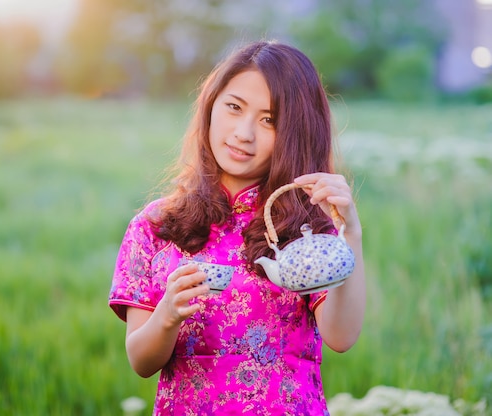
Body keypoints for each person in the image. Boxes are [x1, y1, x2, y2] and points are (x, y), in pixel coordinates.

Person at [108, 40, 366, 415]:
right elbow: (141, 362)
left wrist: (350, 235)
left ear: (295, 133)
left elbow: (341, 337)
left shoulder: (302, 224)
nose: (244, 133)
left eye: (269, 120)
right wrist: (167, 314)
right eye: (234, 107)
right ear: (211, 107)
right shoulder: (156, 226)